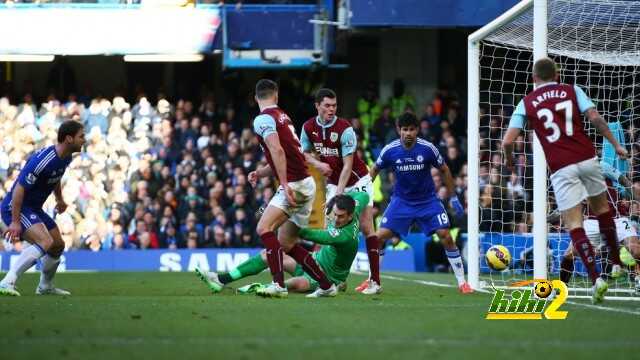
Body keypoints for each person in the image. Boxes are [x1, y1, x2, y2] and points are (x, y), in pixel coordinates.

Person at [502, 57, 629, 304]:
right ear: (557, 75)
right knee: (603, 211)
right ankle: (615, 263)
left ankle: (596, 279)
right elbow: (595, 118)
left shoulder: (526, 102)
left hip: (561, 167)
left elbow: (507, 141)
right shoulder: (573, 90)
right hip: (587, 158)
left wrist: (508, 161)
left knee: (574, 224)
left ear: (534, 78)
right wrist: (616, 145)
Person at [248, 79, 336, 298]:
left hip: (295, 184)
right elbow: (284, 154)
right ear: (276, 96)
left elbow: (277, 150)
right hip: (307, 183)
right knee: (287, 242)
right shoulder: (282, 116)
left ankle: (278, 285)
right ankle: (326, 285)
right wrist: (260, 173)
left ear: (255, 98)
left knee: (263, 228)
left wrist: (284, 184)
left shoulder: (262, 119)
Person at [369, 112, 472, 294]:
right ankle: (373, 281)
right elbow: (374, 170)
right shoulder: (390, 150)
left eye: (411, 129)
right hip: (401, 201)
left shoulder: (427, 148)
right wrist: (364, 194)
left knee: (446, 236)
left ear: (417, 130)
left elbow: (445, 170)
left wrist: (453, 196)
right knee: (378, 238)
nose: (408, 133)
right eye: (404, 129)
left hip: (427, 201)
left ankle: (462, 282)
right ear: (398, 130)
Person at [195, 192, 369, 298]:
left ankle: (264, 287)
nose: (337, 219)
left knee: (293, 284)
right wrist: (339, 195)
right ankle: (221, 279)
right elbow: (364, 195)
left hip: (324, 276)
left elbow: (315, 235)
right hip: (313, 261)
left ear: (350, 215)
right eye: (335, 214)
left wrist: (288, 226)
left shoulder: (344, 235)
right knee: (267, 255)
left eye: (341, 216)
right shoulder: (354, 206)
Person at [300, 88, 382, 295]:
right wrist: (317, 165)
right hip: (333, 183)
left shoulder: (345, 128)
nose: (331, 109)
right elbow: (303, 153)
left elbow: (347, 166)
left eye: (334, 106)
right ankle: (336, 278)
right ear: (317, 106)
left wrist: (339, 195)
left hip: (357, 180)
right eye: (327, 105)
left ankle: (375, 281)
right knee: (331, 230)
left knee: (365, 226)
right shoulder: (308, 127)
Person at [0, 120, 86, 296]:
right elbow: (19, 189)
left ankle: (45, 287)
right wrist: (15, 221)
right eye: (81, 136)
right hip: (15, 207)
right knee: (45, 241)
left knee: (57, 245)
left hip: (33, 208)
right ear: (69, 139)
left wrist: (59, 199)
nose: (84, 140)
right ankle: (7, 282)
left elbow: (55, 177)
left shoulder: (66, 157)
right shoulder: (43, 160)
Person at [551, 161, 640, 293]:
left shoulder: (602, 165)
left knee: (635, 250)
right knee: (570, 253)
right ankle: (561, 286)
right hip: (592, 221)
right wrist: (547, 218)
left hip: (617, 219)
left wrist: (636, 198)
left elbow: (624, 181)